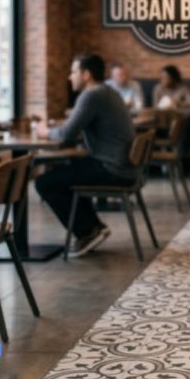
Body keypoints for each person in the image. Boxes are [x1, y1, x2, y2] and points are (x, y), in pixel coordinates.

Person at [34, 53, 137, 257]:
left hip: (113, 168)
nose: (69, 77)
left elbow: (65, 136)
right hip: (123, 165)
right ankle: (92, 227)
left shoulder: (92, 95)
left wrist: (44, 131)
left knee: (44, 182)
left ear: (86, 74)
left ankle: (87, 231)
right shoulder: (108, 91)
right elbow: (75, 128)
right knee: (66, 172)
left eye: (73, 72)